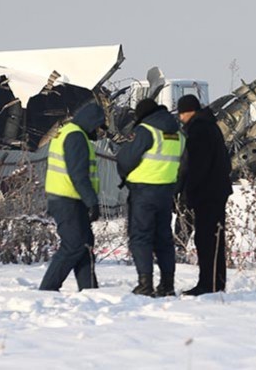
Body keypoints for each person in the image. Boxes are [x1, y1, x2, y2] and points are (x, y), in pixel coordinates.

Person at [116, 99, 185, 297]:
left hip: (143, 191)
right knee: (164, 239)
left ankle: (145, 284)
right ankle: (167, 285)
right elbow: (182, 164)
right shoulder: (178, 134)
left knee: (141, 237)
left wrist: (125, 175)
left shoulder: (146, 130)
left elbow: (126, 158)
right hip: (166, 192)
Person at [39, 101, 105, 292]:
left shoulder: (69, 132)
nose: (99, 132)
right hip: (68, 200)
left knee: (84, 246)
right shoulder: (76, 136)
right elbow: (78, 174)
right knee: (74, 245)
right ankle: (47, 290)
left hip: (68, 199)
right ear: (91, 122)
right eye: (98, 126)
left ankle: (89, 290)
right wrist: (92, 202)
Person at [176, 95, 233, 296]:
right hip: (217, 191)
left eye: (181, 113)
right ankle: (216, 283)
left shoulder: (198, 129)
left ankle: (208, 284)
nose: (180, 118)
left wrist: (187, 193)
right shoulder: (211, 126)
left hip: (206, 193)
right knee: (215, 240)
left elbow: (196, 167)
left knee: (206, 240)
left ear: (187, 111)